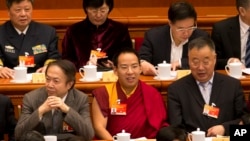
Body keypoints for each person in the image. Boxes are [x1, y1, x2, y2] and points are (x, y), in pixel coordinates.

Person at [165, 37, 246, 136]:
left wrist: (225, 129)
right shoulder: (176, 89)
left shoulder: (232, 86)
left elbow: (245, 122)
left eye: (206, 62)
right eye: (195, 62)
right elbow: (175, 128)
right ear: (188, 61)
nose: (200, 67)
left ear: (215, 59)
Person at [91, 47, 168, 140]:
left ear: (140, 68)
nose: (130, 72)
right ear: (115, 70)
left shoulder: (152, 94)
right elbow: (99, 128)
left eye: (134, 66)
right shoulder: (103, 93)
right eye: (124, 67)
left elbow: (160, 127)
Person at [15, 60, 94, 141]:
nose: (49, 85)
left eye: (56, 81)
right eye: (47, 79)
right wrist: (41, 110)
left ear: (69, 84)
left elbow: (88, 134)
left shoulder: (80, 99)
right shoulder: (31, 98)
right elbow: (18, 134)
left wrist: (67, 109)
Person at [139, 1, 209, 76]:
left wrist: (181, 62)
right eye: (181, 29)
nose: (186, 33)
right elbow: (142, 58)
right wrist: (143, 63)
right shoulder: (154, 36)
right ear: (170, 23)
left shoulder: (201, 37)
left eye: (190, 27)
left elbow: (207, 60)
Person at [62, 0, 133, 70]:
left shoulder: (120, 29)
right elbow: (66, 60)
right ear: (86, 9)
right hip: (82, 75)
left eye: (103, 10)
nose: (98, 15)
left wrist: (115, 64)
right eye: (94, 11)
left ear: (109, 8)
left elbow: (128, 56)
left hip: (112, 75)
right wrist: (85, 65)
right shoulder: (73, 31)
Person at [0, 0, 60, 78]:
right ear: (8, 12)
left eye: (27, 9)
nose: (23, 14)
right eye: (18, 10)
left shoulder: (47, 32)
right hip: (8, 78)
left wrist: (49, 67)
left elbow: (53, 56)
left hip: (39, 80)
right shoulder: (1, 32)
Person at [211, 0, 250, 69]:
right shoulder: (221, 30)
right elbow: (212, 60)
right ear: (242, 11)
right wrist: (229, 62)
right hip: (233, 76)